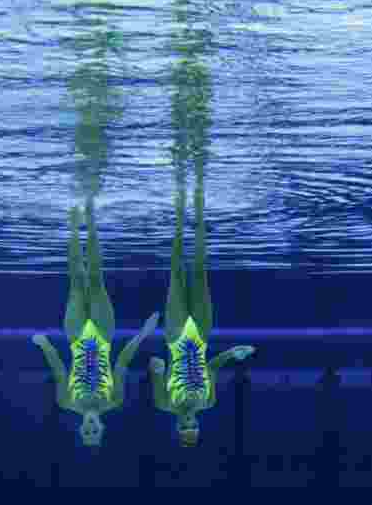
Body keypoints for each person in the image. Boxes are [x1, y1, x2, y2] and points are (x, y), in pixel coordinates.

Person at [32, 197, 159, 448]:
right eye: (95, 432)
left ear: (81, 430)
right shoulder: (115, 400)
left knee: (77, 283)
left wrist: (45, 345)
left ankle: (72, 225)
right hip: (102, 334)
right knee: (95, 278)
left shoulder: (66, 401)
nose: (90, 429)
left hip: (77, 335)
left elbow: (59, 369)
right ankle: (90, 219)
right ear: (102, 428)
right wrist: (143, 334)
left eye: (86, 433)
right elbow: (122, 361)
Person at [148, 177, 255, 447]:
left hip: (174, 336)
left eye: (185, 425)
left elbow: (155, 367)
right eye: (193, 425)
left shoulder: (164, 403)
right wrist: (233, 353)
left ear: (177, 426)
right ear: (198, 424)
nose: (189, 420)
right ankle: (197, 207)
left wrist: (156, 368)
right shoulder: (209, 401)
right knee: (199, 270)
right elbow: (212, 367)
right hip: (201, 337)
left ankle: (178, 215)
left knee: (176, 274)